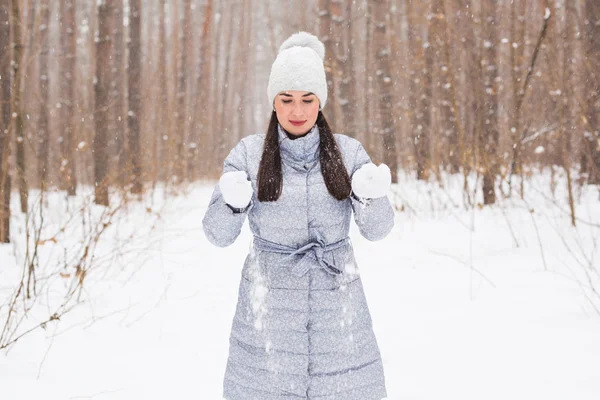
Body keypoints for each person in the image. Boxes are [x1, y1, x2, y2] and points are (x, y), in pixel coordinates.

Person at [202, 31, 394, 400]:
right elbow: (217, 235)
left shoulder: (349, 153)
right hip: (268, 311)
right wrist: (232, 204)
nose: (297, 110)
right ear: (273, 101)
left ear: (320, 101)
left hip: (337, 310)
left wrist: (372, 198)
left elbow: (379, 230)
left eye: (308, 99)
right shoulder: (247, 154)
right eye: (286, 99)